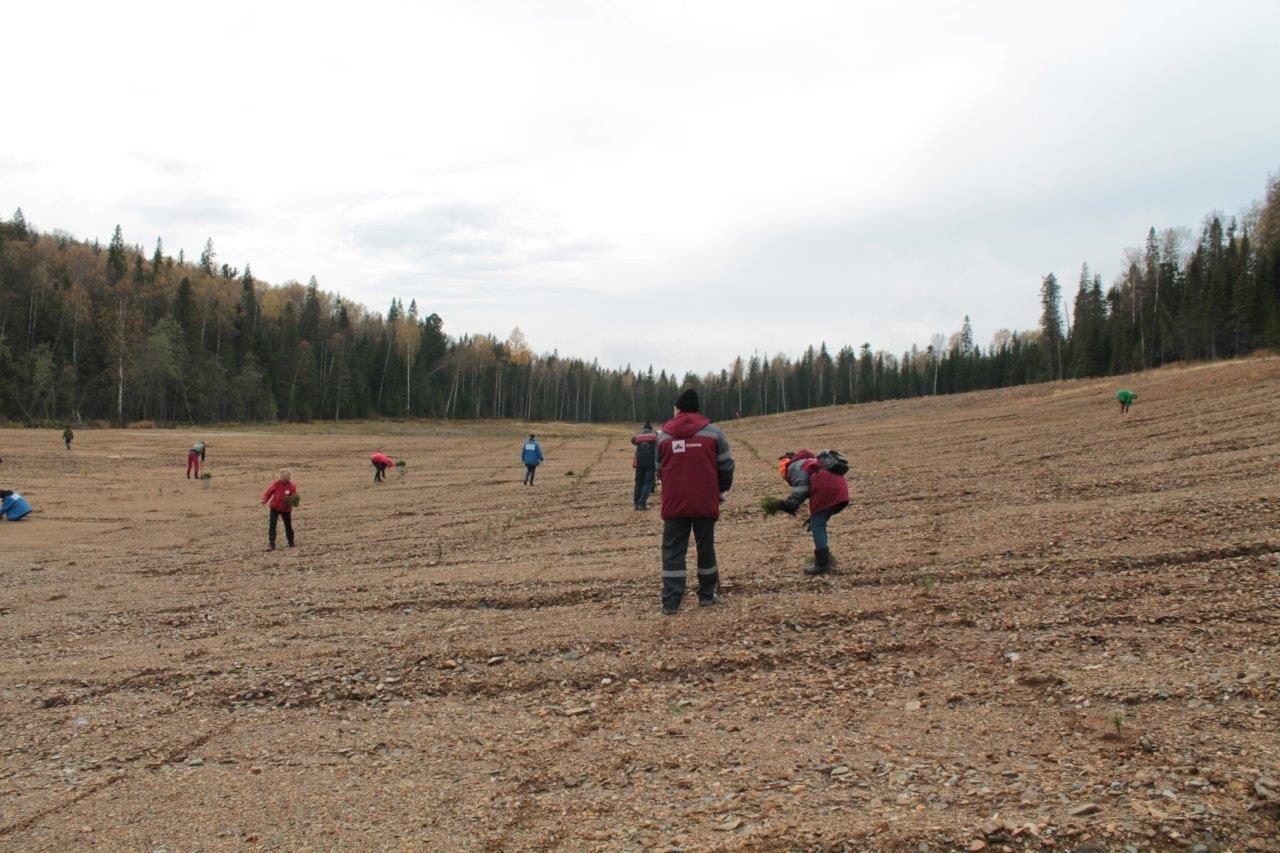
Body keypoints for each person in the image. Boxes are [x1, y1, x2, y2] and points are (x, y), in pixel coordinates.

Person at [656, 388, 734, 614]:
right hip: (705, 501)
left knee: (672, 550)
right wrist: (720, 490)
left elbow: (659, 470)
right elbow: (726, 467)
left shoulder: (663, 436)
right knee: (705, 547)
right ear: (698, 408)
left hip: (674, 503)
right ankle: (707, 595)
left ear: (678, 408)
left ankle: (671, 602)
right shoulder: (714, 433)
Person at [774, 450, 850, 576]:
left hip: (826, 489)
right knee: (819, 523)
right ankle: (825, 559)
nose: (782, 473)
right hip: (839, 488)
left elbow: (801, 489)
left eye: (782, 470)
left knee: (817, 525)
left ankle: (822, 564)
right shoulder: (809, 462)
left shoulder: (794, 466)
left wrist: (787, 504)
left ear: (786, 463)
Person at [260, 468, 299, 550]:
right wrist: (264, 499)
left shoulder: (292, 486)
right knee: (272, 525)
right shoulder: (275, 484)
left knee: (288, 526)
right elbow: (268, 492)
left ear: (289, 478)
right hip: (275, 508)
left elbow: (295, 497)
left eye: (286, 478)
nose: (284, 480)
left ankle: (291, 542)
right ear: (280, 477)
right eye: (283, 478)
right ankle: (271, 544)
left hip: (286, 510)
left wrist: (294, 501)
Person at [631, 421, 658, 510]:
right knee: (647, 483)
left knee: (638, 482)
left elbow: (632, 441)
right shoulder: (655, 435)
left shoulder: (638, 435)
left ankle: (636, 504)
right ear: (651, 428)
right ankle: (642, 503)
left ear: (644, 428)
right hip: (650, 462)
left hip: (639, 462)